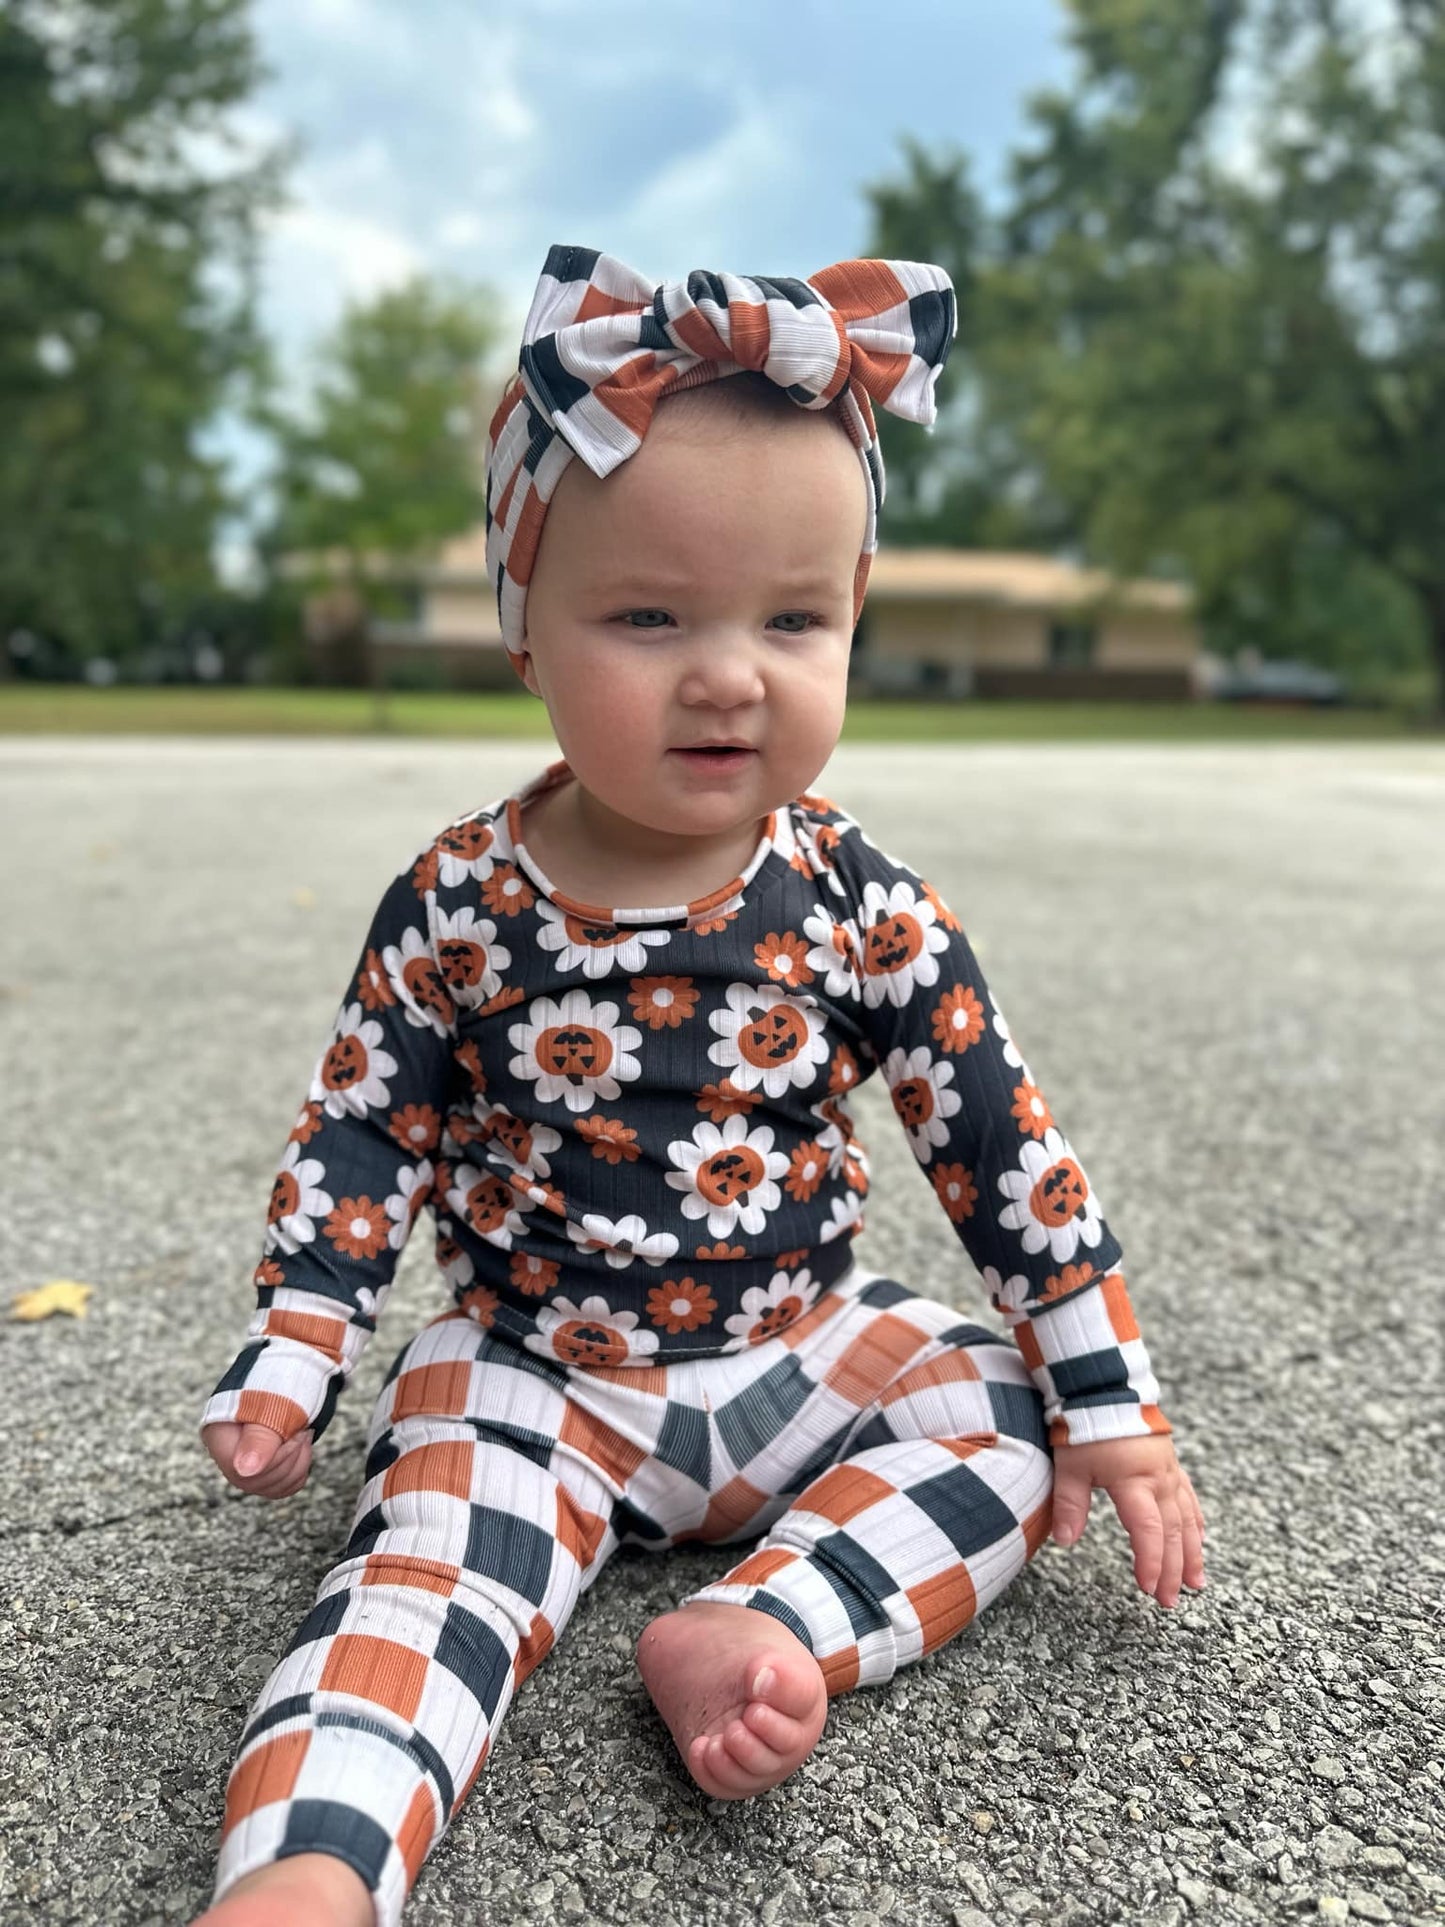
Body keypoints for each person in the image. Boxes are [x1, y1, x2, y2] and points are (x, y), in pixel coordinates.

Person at [193, 245, 1206, 1927]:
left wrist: (1111, 1402)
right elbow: (367, 1122)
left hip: (799, 1347)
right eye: (649, 616)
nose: (729, 671)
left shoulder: (855, 898)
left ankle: (767, 1621)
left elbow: (993, 1136)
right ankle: (310, 1860)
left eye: (792, 617)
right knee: (422, 1574)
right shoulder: (459, 902)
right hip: (541, 1365)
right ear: (527, 630)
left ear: (853, 619)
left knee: (1007, 1419)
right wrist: (299, 1342)